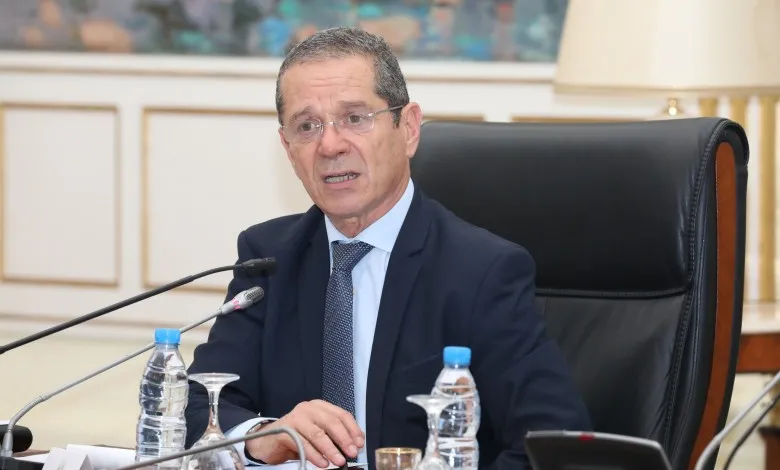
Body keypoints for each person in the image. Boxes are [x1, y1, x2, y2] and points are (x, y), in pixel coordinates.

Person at [184, 26, 591, 470]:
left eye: (355, 118)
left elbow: (550, 444)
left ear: (409, 128)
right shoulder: (269, 259)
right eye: (307, 126)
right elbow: (196, 405)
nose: (330, 145)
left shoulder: (481, 271)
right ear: (288, 147)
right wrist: (264, 435)